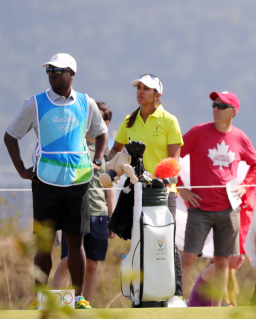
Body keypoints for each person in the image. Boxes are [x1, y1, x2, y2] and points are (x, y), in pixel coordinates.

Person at [4, 53, 108, 309]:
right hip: (45, 183)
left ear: (72, 74)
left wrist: (97, 161)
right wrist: (21, 170)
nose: (52, 73)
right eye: (49, 69)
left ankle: (79, 298)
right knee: (45, 243)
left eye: (58, 70)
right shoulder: (35, 103)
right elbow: (10, 136)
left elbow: (101, 133)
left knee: (75, 242)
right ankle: (40, 300)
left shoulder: (86, 102)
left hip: (78, 182)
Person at [178, 90, 256, 306]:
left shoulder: (240, 137)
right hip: (200, 208)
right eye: (214, 105)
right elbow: (173, 155)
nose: (216, 109)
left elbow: (255, 166)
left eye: (222, 106)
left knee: (222, 261)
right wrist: (181, 188)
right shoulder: (198, 132)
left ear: (233, 111)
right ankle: (176, 302)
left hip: (228, 209)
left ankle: (215, 311)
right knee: (188, 257)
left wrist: (245, 186)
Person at [109, 74, 185, 307]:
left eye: (146, 88)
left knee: (166, 241)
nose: (140, 91)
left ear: (157, 95)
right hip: (134, 190)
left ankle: (176, 293)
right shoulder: (128, 121)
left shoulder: (169, 121)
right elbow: (115, 152)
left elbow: (174, 159)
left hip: (162, 192)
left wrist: (160, 180)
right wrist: (119, 165)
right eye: (138, 87)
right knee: (138, 241)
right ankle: (141, 292)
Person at [52, 102, 115, 303]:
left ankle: (83, 305)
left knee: (92, 264)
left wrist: (111, 217)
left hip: (99, 213)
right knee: (66, 261)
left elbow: (109, 187)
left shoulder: (106, 152)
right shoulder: (73, 146)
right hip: (74, 213)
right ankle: (54, 306)